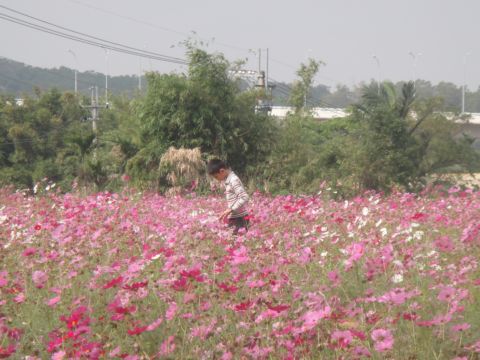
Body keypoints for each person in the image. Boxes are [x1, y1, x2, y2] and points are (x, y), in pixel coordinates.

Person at [207, 159, 249, 235]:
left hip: (241, 218)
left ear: (222, 171)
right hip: (235, 216)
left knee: (236, 242)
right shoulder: (228, 180)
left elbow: (244, 197)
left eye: (216, 176)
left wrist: (230, 209)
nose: (216, 179)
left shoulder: (233, 180)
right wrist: (228, 211)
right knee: (232, 241)